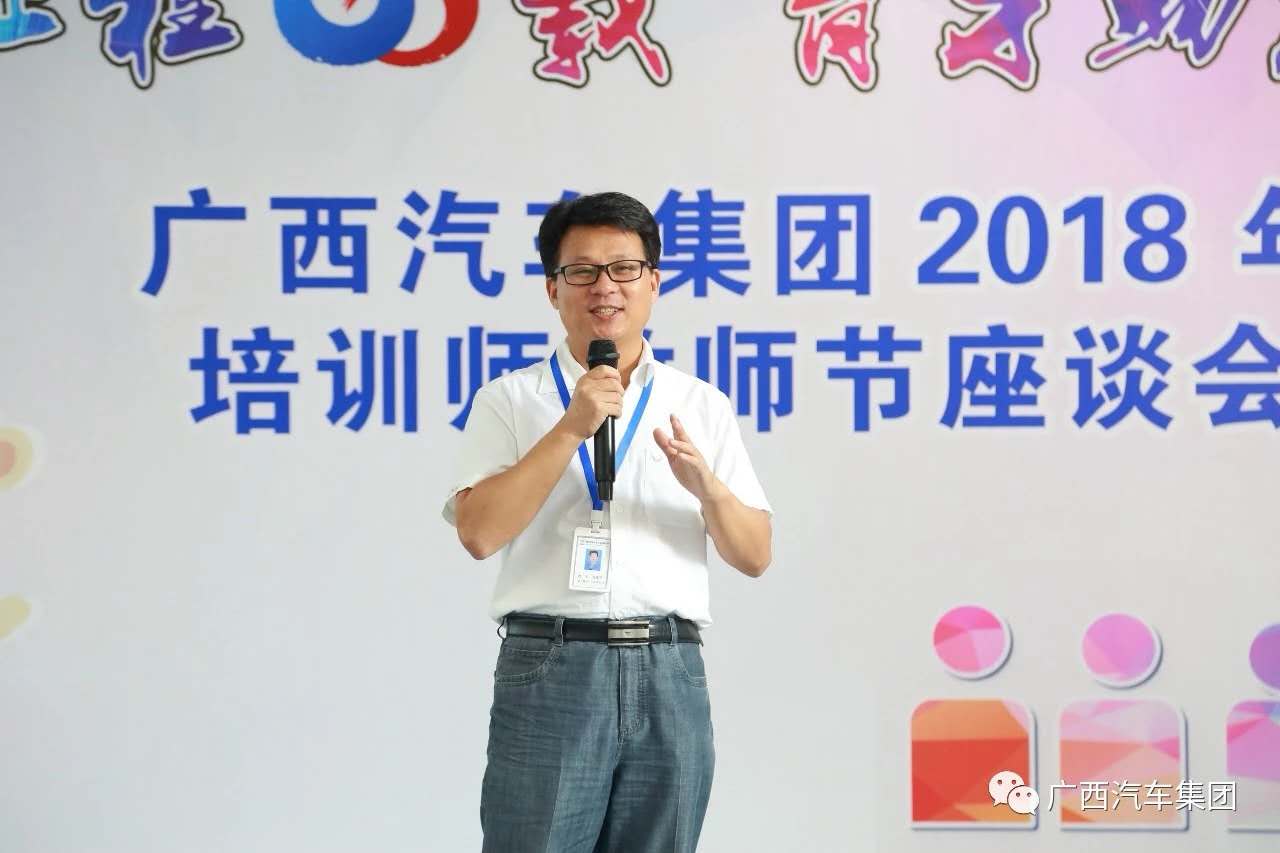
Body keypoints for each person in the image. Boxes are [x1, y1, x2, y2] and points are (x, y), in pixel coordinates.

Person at [443, 191, 773, 852]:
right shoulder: (511, 399)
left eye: (624, 268)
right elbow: (478, 532)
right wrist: (571, 426)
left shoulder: (698, 403)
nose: (605, 287)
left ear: (654, 281)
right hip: (552, 663)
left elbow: (755, 553)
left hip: (669, 665)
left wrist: (707, 488)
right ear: (552, 288)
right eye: (583, 271)